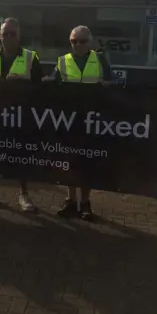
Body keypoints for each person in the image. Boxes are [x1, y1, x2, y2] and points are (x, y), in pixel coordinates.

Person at [0, 17, 43, 212]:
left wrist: (23, 81)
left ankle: (24, 195)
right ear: (0, 36)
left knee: (20, 155)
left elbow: (42, 86)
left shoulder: (31, 57)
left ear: (19, 35)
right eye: (5, 34)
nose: (9, 37)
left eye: (13, 34)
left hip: (20, 115)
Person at [51, 25, 113, 221]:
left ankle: (85, 203)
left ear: (90, 42)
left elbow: (112, 84)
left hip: (91, 120)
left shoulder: (100, 59)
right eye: (73, 41)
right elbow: (53, 84)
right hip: (68, 120)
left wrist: (107, 87)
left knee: (86, 163)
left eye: (82, 41)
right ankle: (70, 200)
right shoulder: (62, 61)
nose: (77, 44)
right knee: (70, 162)